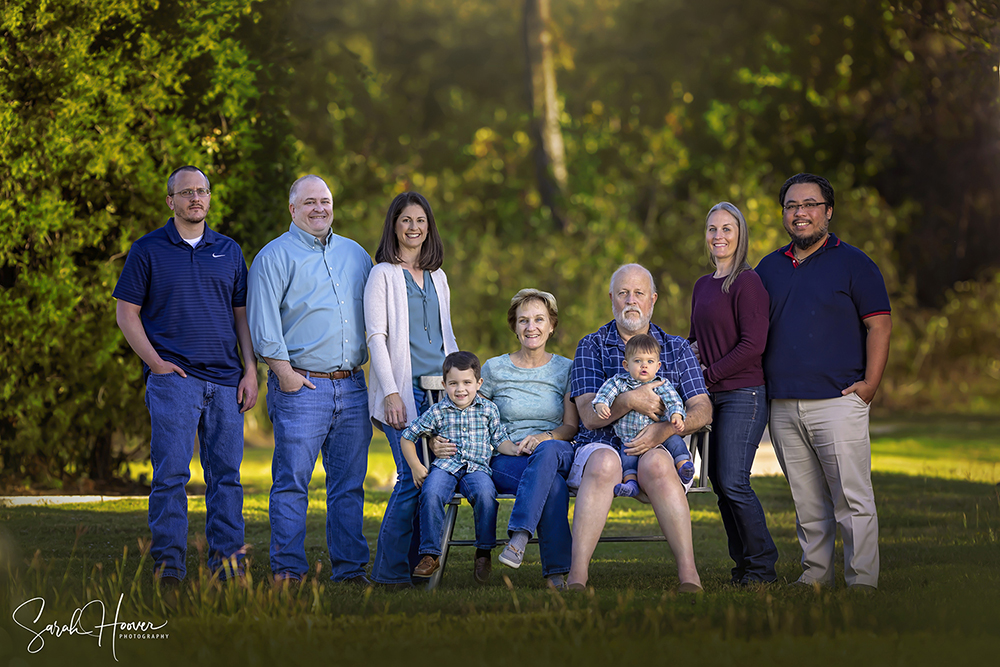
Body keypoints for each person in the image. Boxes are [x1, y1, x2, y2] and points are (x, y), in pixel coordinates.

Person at [113, 165, 258, 584]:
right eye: (187, 192)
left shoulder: (229, 250)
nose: (196, 198)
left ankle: (228, 568)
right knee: (171, 476)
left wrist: (250, 369)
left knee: (227, 479)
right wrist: (156, 364)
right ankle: (169, 569)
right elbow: (127, 314)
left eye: (203, 191)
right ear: (170, 201)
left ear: (210, 198)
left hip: (227, 381)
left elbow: (241, 317)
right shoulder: (148, 250)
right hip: (175, 381)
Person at [756, 174, 891, 591]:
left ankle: (862, 581)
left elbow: (880, 326)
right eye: (792, 206)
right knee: (807, 501)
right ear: (784, 214)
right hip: (782, 402)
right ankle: (815, 574)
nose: (801, 213)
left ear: (828, 212)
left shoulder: (854, 262)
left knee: (851, 498)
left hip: (838, 398)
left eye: (810, 204)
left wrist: (869, 384)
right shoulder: (768, 267)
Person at [247, 174, 374, 585]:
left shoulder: (356, 255)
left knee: (349, 486)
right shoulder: (274, 256)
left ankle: (351, 570)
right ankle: (288, 570)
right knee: (291, 484)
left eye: (325, 201)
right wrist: (285, 376)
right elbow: (262, 325)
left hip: (353, 386)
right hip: (302, 386)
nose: (319, 209)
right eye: (310, 203)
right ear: (293, 209)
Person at [567, 263, 711, 592]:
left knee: (660, 463)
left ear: (653, 300)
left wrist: (665, 431)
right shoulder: (591, 345)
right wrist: (630, 400)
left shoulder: (675, 348)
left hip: (657, 444)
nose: (631, 300)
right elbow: (589, 416)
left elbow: (702, 409)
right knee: (606, 463)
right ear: (612, 299)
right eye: (623, 293)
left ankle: (689, 575)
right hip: (599, 444)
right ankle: (577, 576)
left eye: (639, 293)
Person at [365, 192, 458, 588]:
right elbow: (376, 336)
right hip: (402, 390)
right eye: (406, 220)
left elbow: (446, 335)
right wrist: (390, 392)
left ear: (429, 226)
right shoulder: (382, 274)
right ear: (394, 225)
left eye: (420, 220)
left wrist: (460, 385)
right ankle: (387, 575)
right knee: (409, 477)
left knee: (432, 480)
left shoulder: (438, 276)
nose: (414, 227)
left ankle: (417, 568)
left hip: (439, 391)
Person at [689, 201, 778, 586]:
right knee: (721, 486)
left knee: (734, 479)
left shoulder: (747, 281)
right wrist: (687, 355)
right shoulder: (702, 285)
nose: (719, 236)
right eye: (712, 229)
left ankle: (762, 566)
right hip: (711, 395)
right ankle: (742, 566)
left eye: (727, 228)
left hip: (744, 392)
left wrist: (709, 372)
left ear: (739, 234)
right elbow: (696, 338)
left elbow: (753, 344)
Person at [480, 289, 578, 588]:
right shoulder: (494, 368)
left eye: (539, 319)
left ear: (551, 325)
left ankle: (520, 533)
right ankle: (556, 574)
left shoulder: (566, 368)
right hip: (507, 457)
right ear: (514, 326)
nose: (531, 327)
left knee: (547, 453)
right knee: (554, 485)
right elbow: (478, 418)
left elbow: (570, 426)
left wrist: (543, 437)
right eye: (523, 320)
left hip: (555, 448)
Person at [400, 351, 519, 585]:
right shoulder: (437, 411)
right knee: (431, 492)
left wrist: (516, 450)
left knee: (486, 495)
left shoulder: (488, 409)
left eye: (467, 382)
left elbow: (499, 440)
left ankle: (483, 552)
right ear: (444, 385)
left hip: (477, 468)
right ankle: (430, 554)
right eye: (453, 383)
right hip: (445, 467)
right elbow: (407, 436)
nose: (460, 389)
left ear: (478, 383)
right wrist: (415, 466)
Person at [592, 333, 693, 498]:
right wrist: (601, 404)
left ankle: (684, 466)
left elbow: (674, 400)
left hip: (659, 437)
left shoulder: (660, 384)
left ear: (658, 366)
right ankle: (631, 483)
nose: (644, 366)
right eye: (638, 361)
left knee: (675, 441)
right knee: (626, 458)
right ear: (626, 365)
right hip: (630, 440)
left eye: (650, 362)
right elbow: (604, 394)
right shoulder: (619, 382)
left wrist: (676, 415)